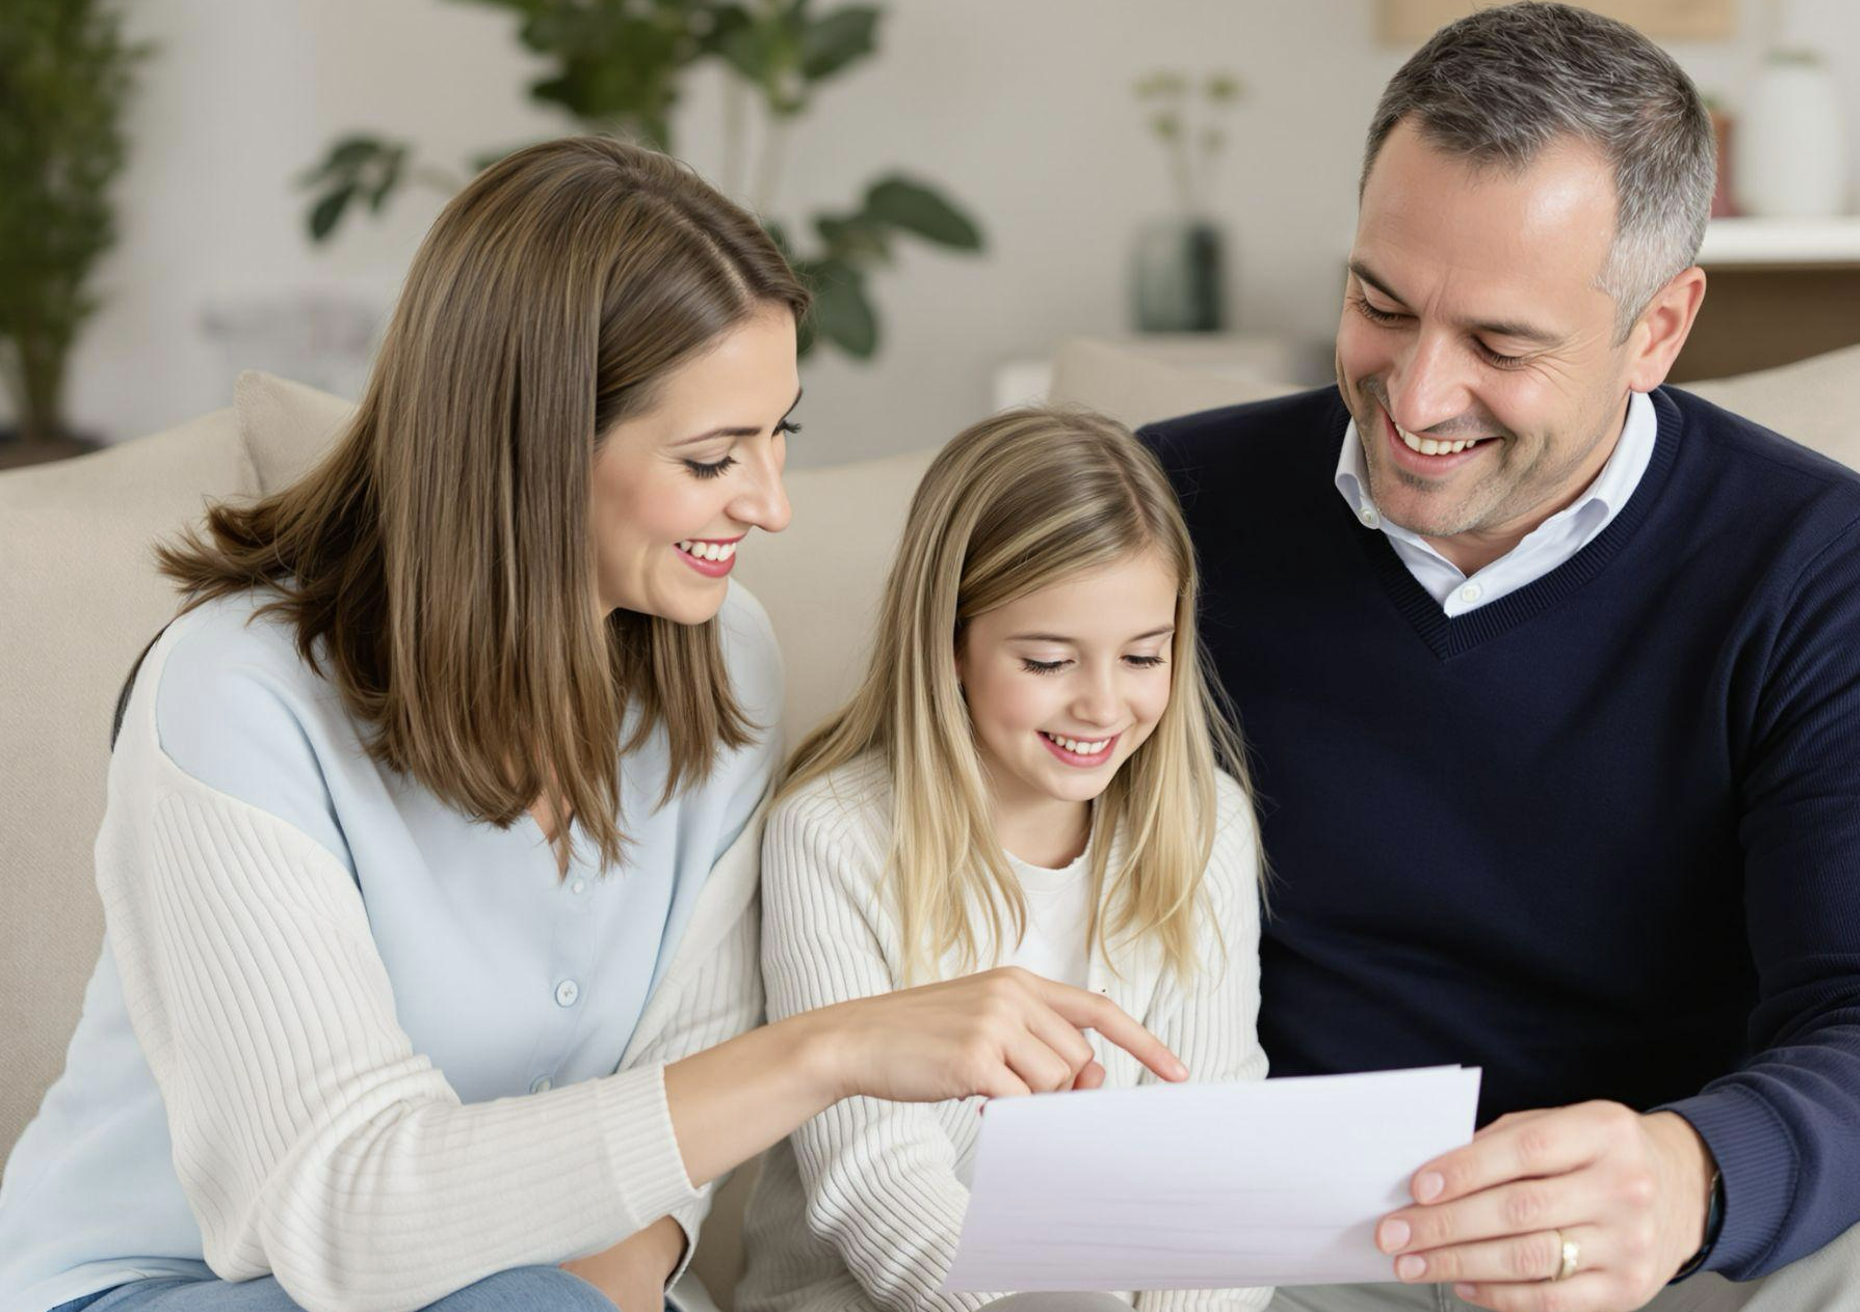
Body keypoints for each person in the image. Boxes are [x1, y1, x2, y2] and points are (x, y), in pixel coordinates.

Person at [0, 139, 1182, 1312]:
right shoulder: (236, 695)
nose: (768, 503)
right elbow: (338, 1214)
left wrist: (624, 1269)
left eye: (781, 436)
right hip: (168, 1285)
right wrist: (828, 1047)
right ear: (534, 444)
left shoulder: (727, 661)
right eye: (713, 456)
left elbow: (672, 1158)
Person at [1139, 2, 1860, 1312]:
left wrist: (1688, 1171)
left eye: (1500, 346)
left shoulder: (1821, 563)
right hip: (1291, 1249)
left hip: (1664, 1248)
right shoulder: (1163, 506)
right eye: (1379, 304)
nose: (1414, 395)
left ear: (1660, 327)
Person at [736, 409, 1268, 1312]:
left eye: (1144, 655)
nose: (1104, 706)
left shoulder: (1202, 822)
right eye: (1050, 660)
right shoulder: (831, 836)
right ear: (950, 642)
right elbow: (878, 1186)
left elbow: (1208, 1148)